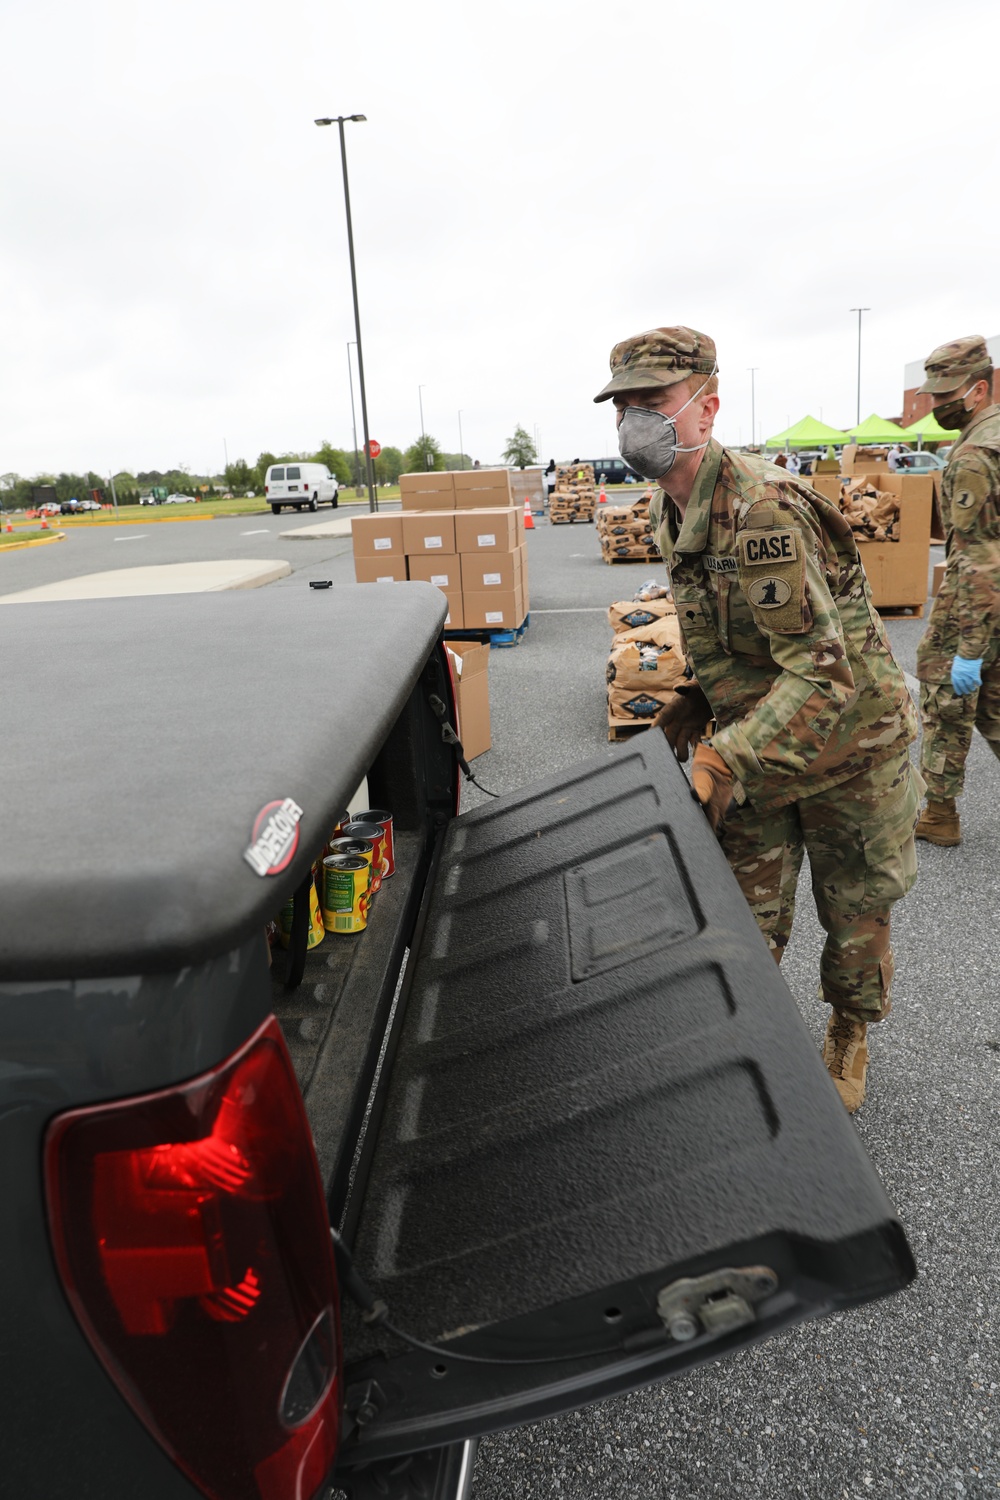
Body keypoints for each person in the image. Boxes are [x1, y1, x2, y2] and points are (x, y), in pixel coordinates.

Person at [594, 326, 921, 1112]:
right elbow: (735, 634)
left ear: (705, 408)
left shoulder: (762, 510)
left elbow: (822, 665)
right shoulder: (668, 511)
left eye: (655, 402)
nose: (637, 421)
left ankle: (849, 1030)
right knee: (742, 912)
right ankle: (747, 1036)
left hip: (849, 743)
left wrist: (722, 758)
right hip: (759, 740)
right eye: (625, 406)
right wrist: (696, 701)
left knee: (852, 911)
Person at [913, 335, 1000, 847]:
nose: (937, 403)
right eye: (933, 393)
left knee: (946, 700)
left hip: (976, 600)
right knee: (993, 706)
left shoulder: (973, 456)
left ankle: (938, 815)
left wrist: (968, 649)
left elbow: (979, 557)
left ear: (980, 388)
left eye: (948, 393)